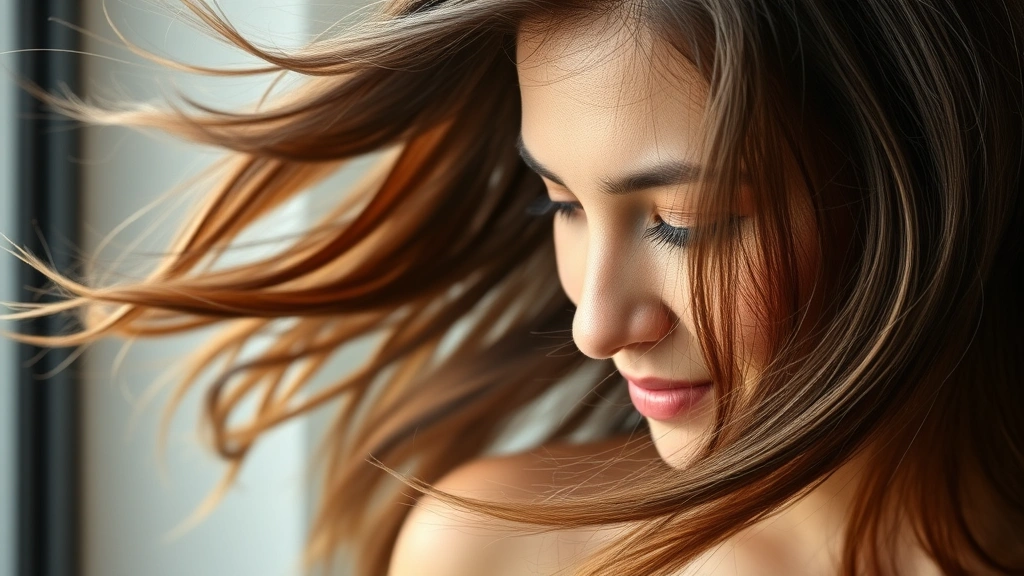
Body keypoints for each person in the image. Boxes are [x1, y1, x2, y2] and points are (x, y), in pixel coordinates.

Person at [5, 0, 1023, 574]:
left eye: (686, 218)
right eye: (561, 205)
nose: (597, 322)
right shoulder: (497, 552)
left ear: (917, 192)